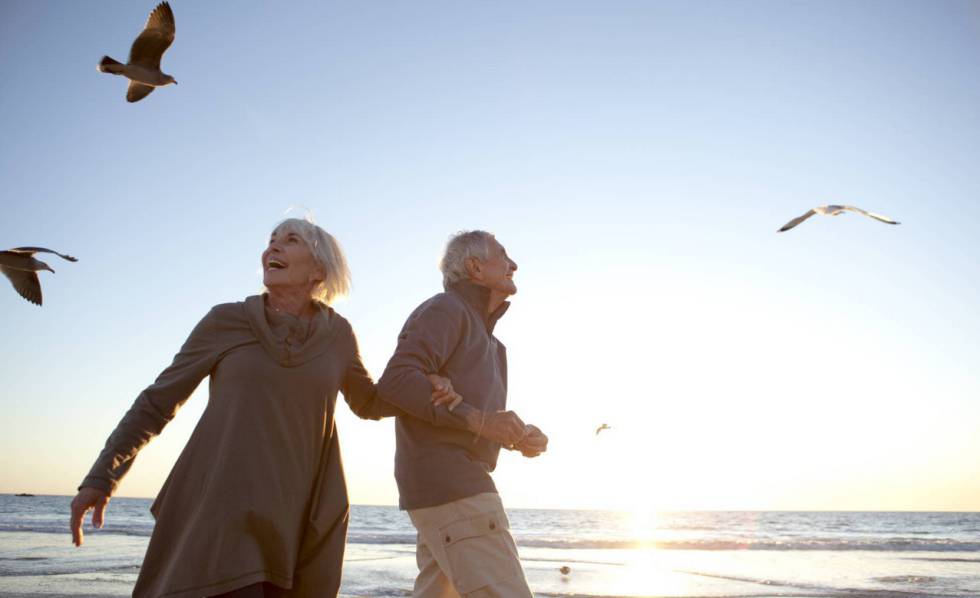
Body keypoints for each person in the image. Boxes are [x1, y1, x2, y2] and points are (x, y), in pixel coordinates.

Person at [69, 218, 459, 598]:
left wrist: (426, 382)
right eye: (271, 239)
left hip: (301, 517)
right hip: (222, 507)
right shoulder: (226, 321)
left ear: (319, 270)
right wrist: (102, 477)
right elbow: (157, 403)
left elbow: (370, 402)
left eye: (290, 240)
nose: (272, 246)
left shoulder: (338, 334)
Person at [377, 230, 548, 597]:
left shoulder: (494, 345)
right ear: (475, 267)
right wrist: (481, 420)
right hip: (453, 486)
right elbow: (396, 381)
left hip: (446, 491)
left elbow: (477, 419)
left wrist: (517, 435)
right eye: (503, 255)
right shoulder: (446, 309)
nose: (513, 264)